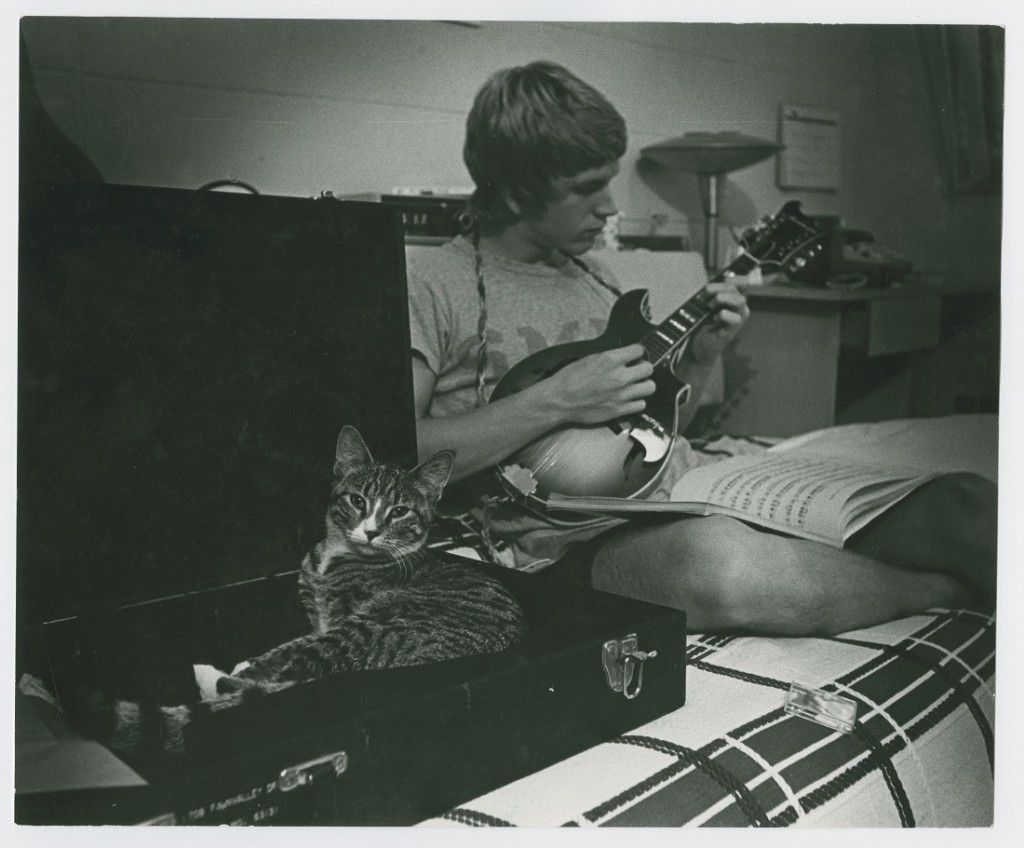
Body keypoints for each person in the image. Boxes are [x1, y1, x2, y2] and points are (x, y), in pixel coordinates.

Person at [405, 60, 996, 636]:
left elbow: (649, 439)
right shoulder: (433, 282)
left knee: (966, 504)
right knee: (723, 565)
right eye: (585, 190)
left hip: (694, 485)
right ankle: (942, 593)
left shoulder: (601, 279)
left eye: (608, 182)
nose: (609, 206)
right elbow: (395, 453)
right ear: (512, 193)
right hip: (567, 532)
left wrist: (702, 356)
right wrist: (557, 401)